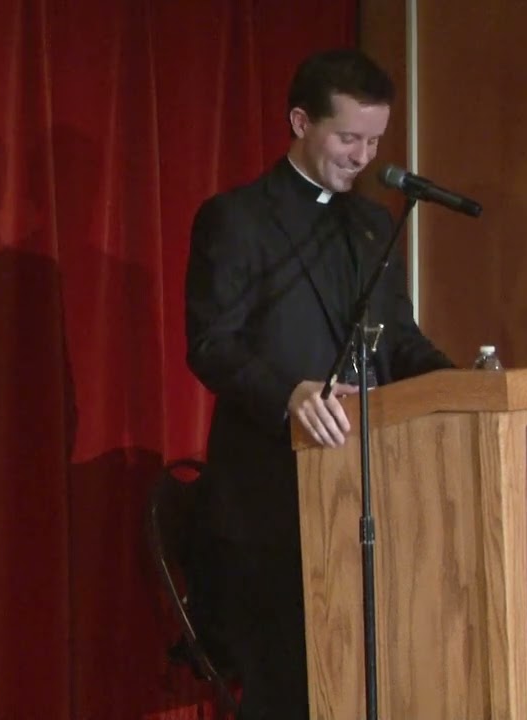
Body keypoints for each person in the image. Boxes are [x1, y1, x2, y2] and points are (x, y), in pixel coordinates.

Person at [183, 48, 454, 718]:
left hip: (369, 497)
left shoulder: (371, 225)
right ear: (301, 122)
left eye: (375, 141)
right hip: (271, 505)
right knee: (289, 696)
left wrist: (460, 389)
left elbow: (399, 341)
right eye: (348, 138)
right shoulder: (237, 218)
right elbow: (212, 344)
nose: (363, 157)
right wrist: (291, 394)